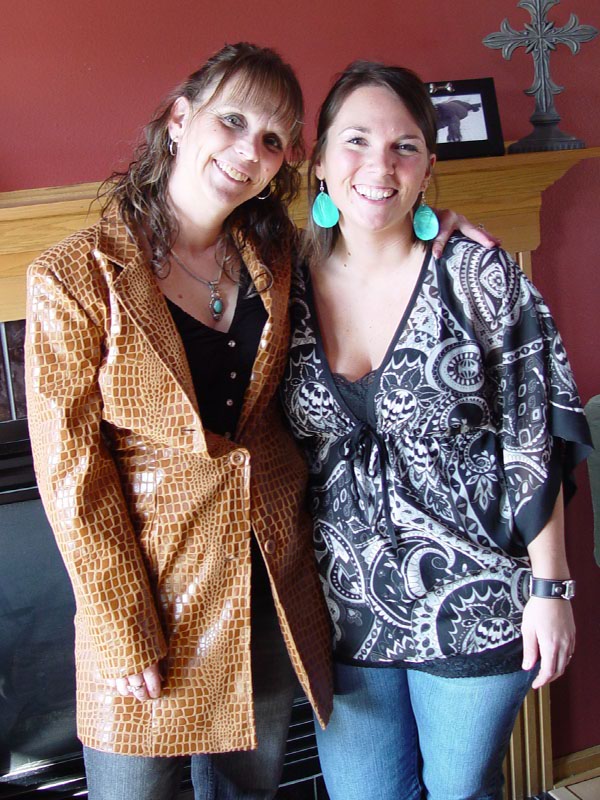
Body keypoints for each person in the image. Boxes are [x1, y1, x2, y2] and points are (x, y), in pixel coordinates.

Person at [25, 42, 498, 800]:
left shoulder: (275, 256)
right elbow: (70, 472)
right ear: (180, 119)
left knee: (250, 790)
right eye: (233, 121)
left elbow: (367, 240)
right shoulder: (74, 277)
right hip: (146, 588)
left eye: (274, 139)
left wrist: (437, 226)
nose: (250, 151)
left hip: (267, 579)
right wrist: (119, 619)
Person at [282, 61, 592, 800]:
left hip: (475, 597)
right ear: (319, 160)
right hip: (339, 609)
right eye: (357, 141)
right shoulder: (278, 285)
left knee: (461, 792)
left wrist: (552, 589)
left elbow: (535, 439)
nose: (380, 166)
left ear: (428, 169)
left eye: (406, 146)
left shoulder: (479, 276)